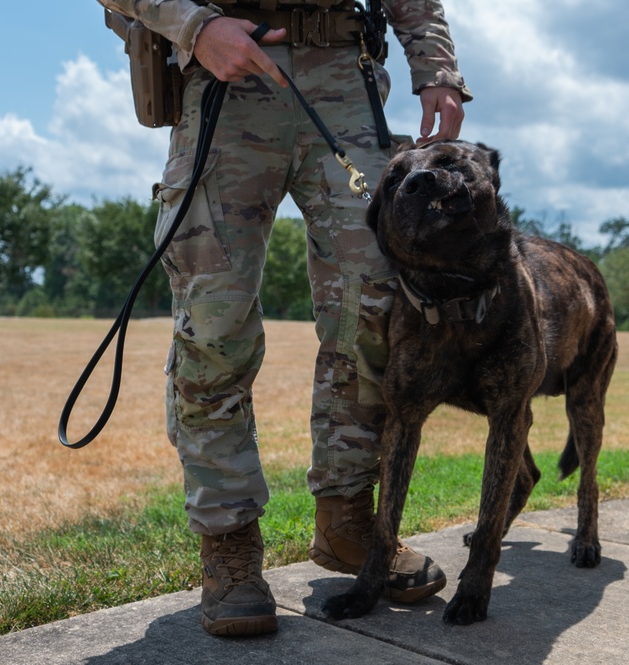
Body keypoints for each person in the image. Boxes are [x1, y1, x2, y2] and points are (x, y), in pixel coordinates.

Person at [97, 0, 471, 636]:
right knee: (214, 323)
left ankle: (350, 521)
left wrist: (436, 65)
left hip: (346, 81)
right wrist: (196, 28)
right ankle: (229, 547)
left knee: (379, 308)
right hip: (227, 72)